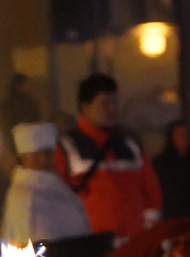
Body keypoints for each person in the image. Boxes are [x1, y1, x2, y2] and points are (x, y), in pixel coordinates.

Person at [54, 73, 163, 246]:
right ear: (84, 106)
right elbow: (58, 200)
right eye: (104, 103)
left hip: (134, 245)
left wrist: (150, 235)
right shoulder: (67, 148)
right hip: (94, 248)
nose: (112, 109)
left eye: (114, 103)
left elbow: (151, 191)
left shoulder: (130, 143)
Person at [2, 121, 92, 245]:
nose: (43, 159)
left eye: (47, 153)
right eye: (36, 155)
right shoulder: (24, 195)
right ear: (24, 158)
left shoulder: (60, 186)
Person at [0, 73, 42, 160]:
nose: (27, 87)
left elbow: (36, 119)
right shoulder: (9, 104)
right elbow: (6, 125)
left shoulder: (30, 102)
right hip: (16, 140)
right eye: (25, 84)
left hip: (30, 139)